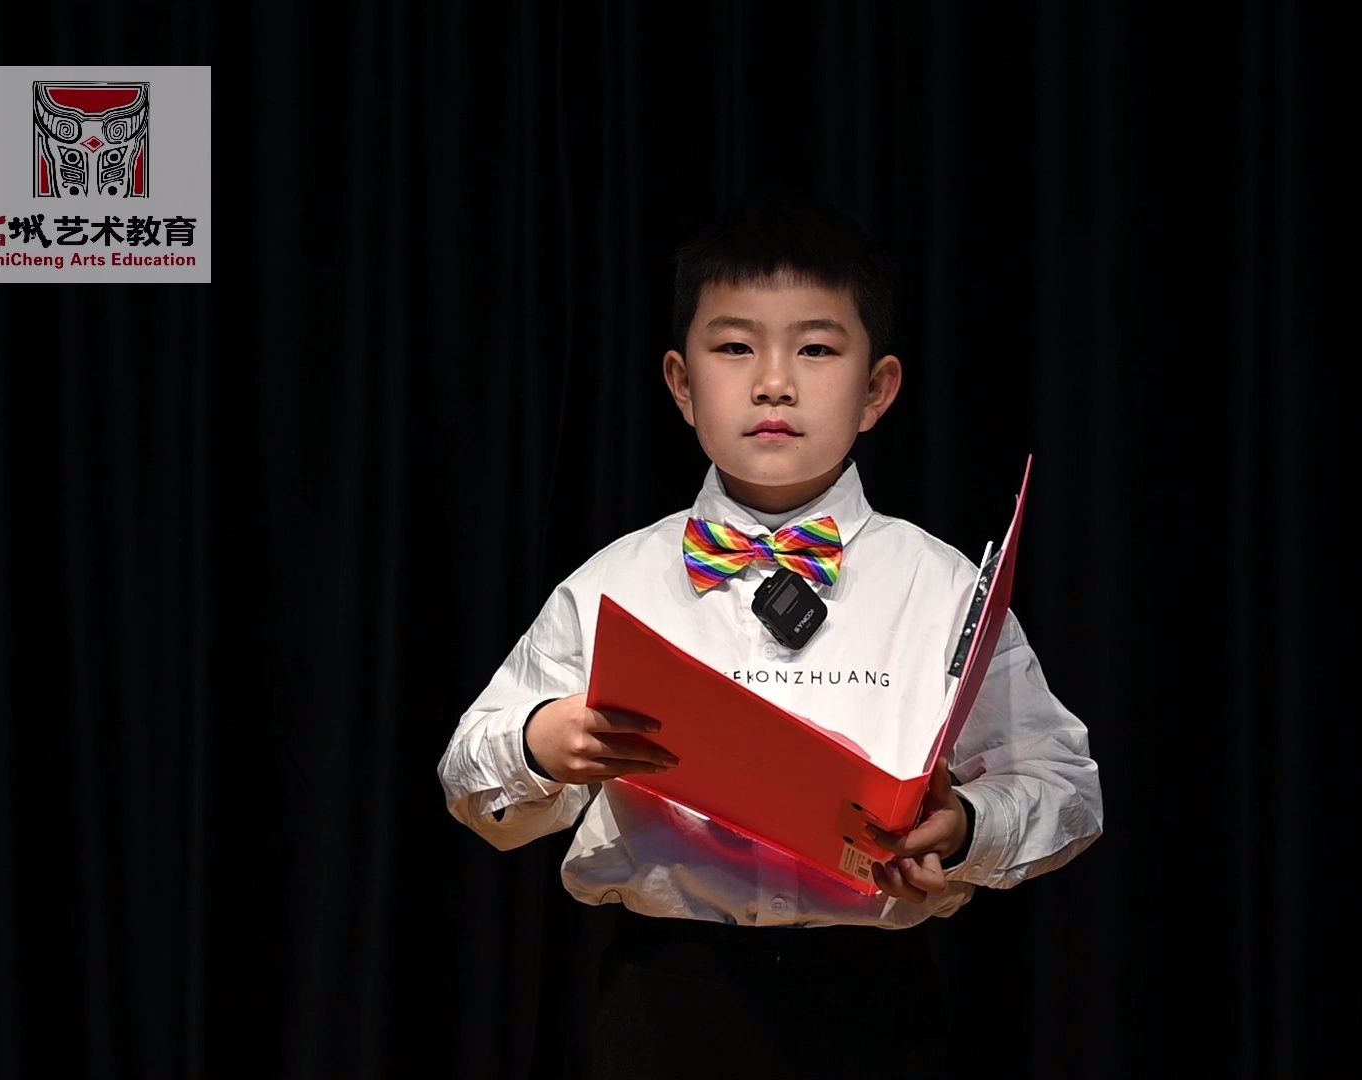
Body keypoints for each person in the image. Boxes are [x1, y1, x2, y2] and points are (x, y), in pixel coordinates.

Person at [436, 194, 1103, 1078]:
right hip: (662, 1000)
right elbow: (469, 782)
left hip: (877, 1002)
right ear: (681, 384)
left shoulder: (942, 586)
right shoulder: (613, 583)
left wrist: (965, 825)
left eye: (817, 349)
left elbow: (1066, 788)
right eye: (735, 346)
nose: (774, 382)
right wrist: (541, 743)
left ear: (878, 391)